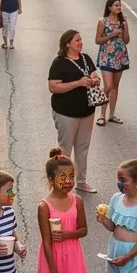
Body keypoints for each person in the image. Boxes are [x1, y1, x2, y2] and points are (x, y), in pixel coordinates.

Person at [48, 29, 100, 194]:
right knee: (65, 148)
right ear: (67, 44)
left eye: (81, 40)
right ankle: (61, 183)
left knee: (83, 147)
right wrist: (77, 83)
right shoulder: (59, 63)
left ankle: (81, 181)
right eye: (77, 40)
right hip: (66, 112)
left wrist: (95, 80)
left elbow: (94, 74)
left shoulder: (86, 58)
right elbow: (53, 87)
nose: (80, 42)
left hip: (87, 111)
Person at [95, 0, 130, 127]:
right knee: (108, 86)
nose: (119, 7)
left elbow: (127, 40)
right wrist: (111, 34)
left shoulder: (123, 21)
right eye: (116, 5)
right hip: (106, 56)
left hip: (119, 56)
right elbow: (97, 40)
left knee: (115, 86)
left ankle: (112, 114)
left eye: (120, 5)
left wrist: (124, 29)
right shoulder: (103, 22)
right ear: (109, 7)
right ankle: (101, 115)